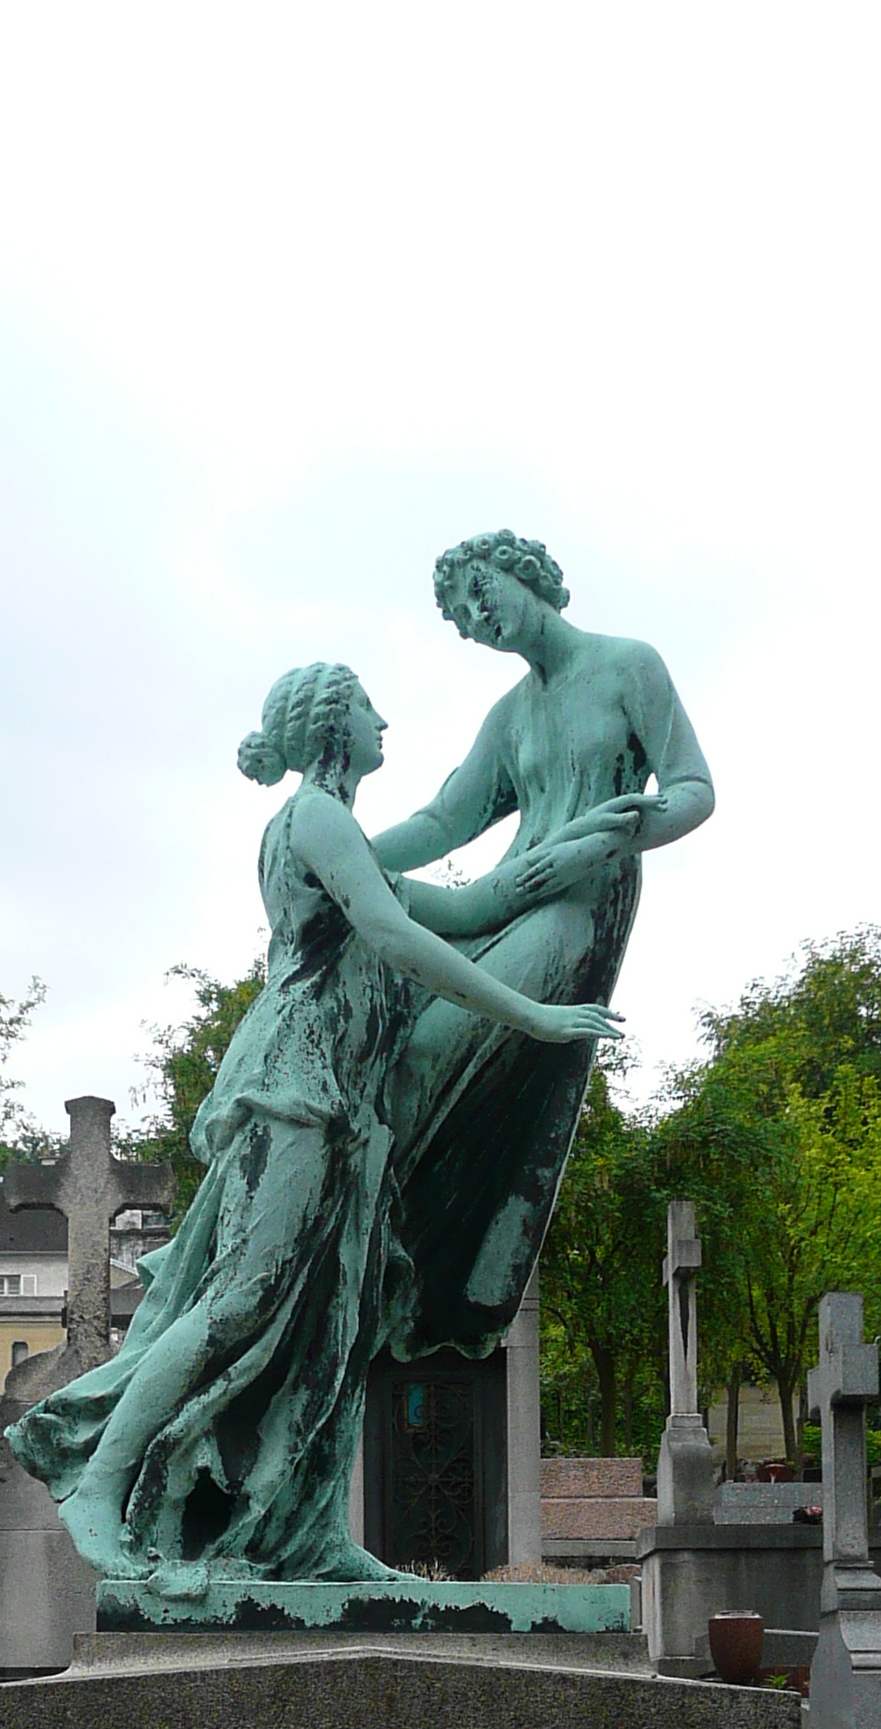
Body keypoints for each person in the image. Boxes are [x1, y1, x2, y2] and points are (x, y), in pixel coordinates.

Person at [9, 663, 618, 1593]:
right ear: (338, 725)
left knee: (336, 1318)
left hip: (349, 1105)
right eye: (372, 708)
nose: (386, 723)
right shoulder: (315, 818)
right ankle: (97, 1483)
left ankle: (306, 1534)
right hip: (296, 1085)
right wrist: (531, 1019)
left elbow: (468, 910)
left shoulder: (346, 835)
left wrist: (570, 854)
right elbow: (397, 933)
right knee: (241, 1301)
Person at [368, 531, 714, 1354]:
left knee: (439, 1044)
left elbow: (694, 791)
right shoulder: (511, 714)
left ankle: (391, 1231)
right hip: (502, 898)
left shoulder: (631, 665)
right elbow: (446, 819)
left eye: (480, 594)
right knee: (392, 1039)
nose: (477, 620)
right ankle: (369, 1237)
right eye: (461, 619)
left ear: (524, 575)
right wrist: (343, 857)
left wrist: (608, 842)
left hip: (580, 910)